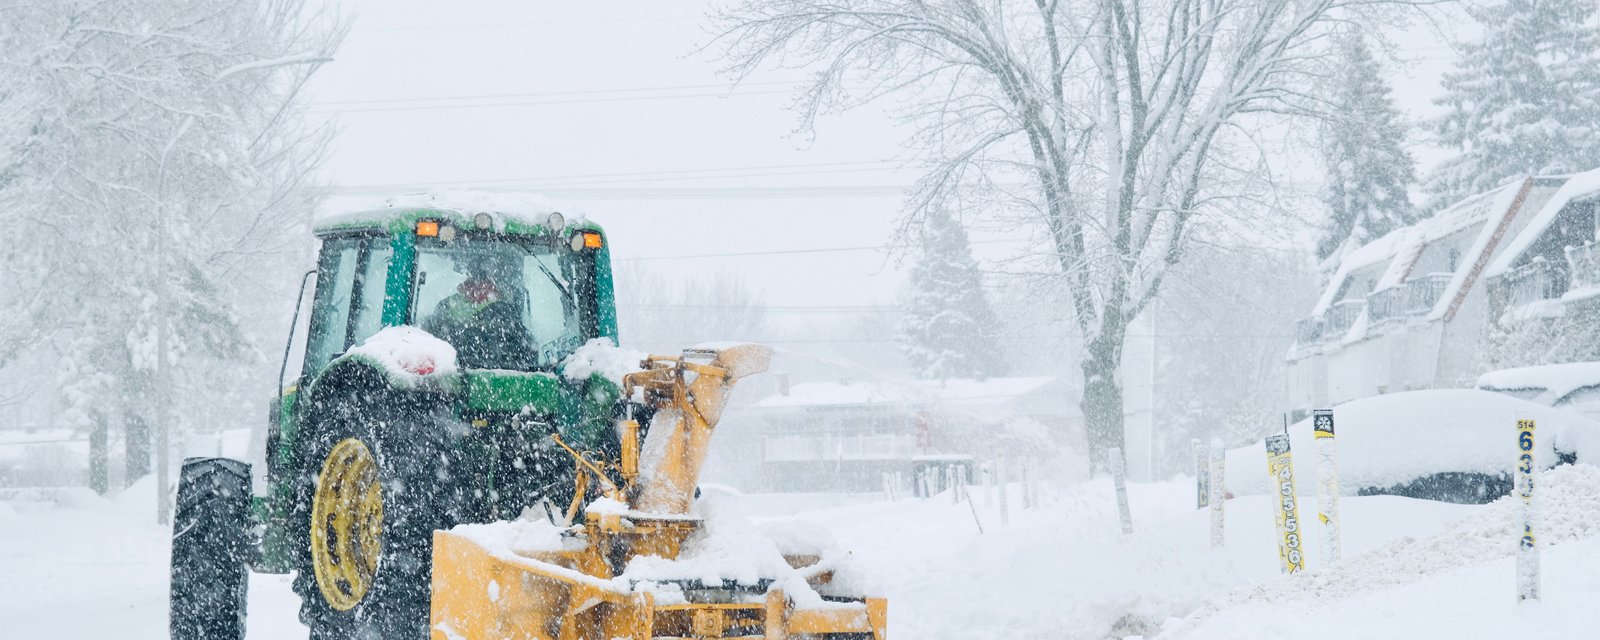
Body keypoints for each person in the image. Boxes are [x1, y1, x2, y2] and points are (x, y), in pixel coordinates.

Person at [422, 254, 536, 369]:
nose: (480, 285)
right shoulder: (446, 306)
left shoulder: (505, 312)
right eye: (476, 279)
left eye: (485, 280)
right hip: (454, 374)